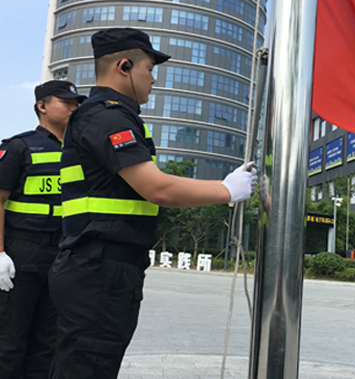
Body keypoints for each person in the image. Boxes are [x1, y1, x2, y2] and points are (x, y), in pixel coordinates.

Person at [48, 27, 258, 378]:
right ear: (124, 66)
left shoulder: (109, 116)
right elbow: (157, 188)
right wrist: (227, 189)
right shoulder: (107, 117)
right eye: (149, 68)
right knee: (88, 367)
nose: (154, 79)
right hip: (99, 268)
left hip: (98, 266)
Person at [0, 80, 86, 378]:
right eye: (67, 102)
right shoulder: (19, 147)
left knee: (49, 342)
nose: (74, 108)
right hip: (21, 252)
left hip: (62, 254)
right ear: (42, 106)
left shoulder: (79, 153)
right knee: (9, 339)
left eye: (77, 103)